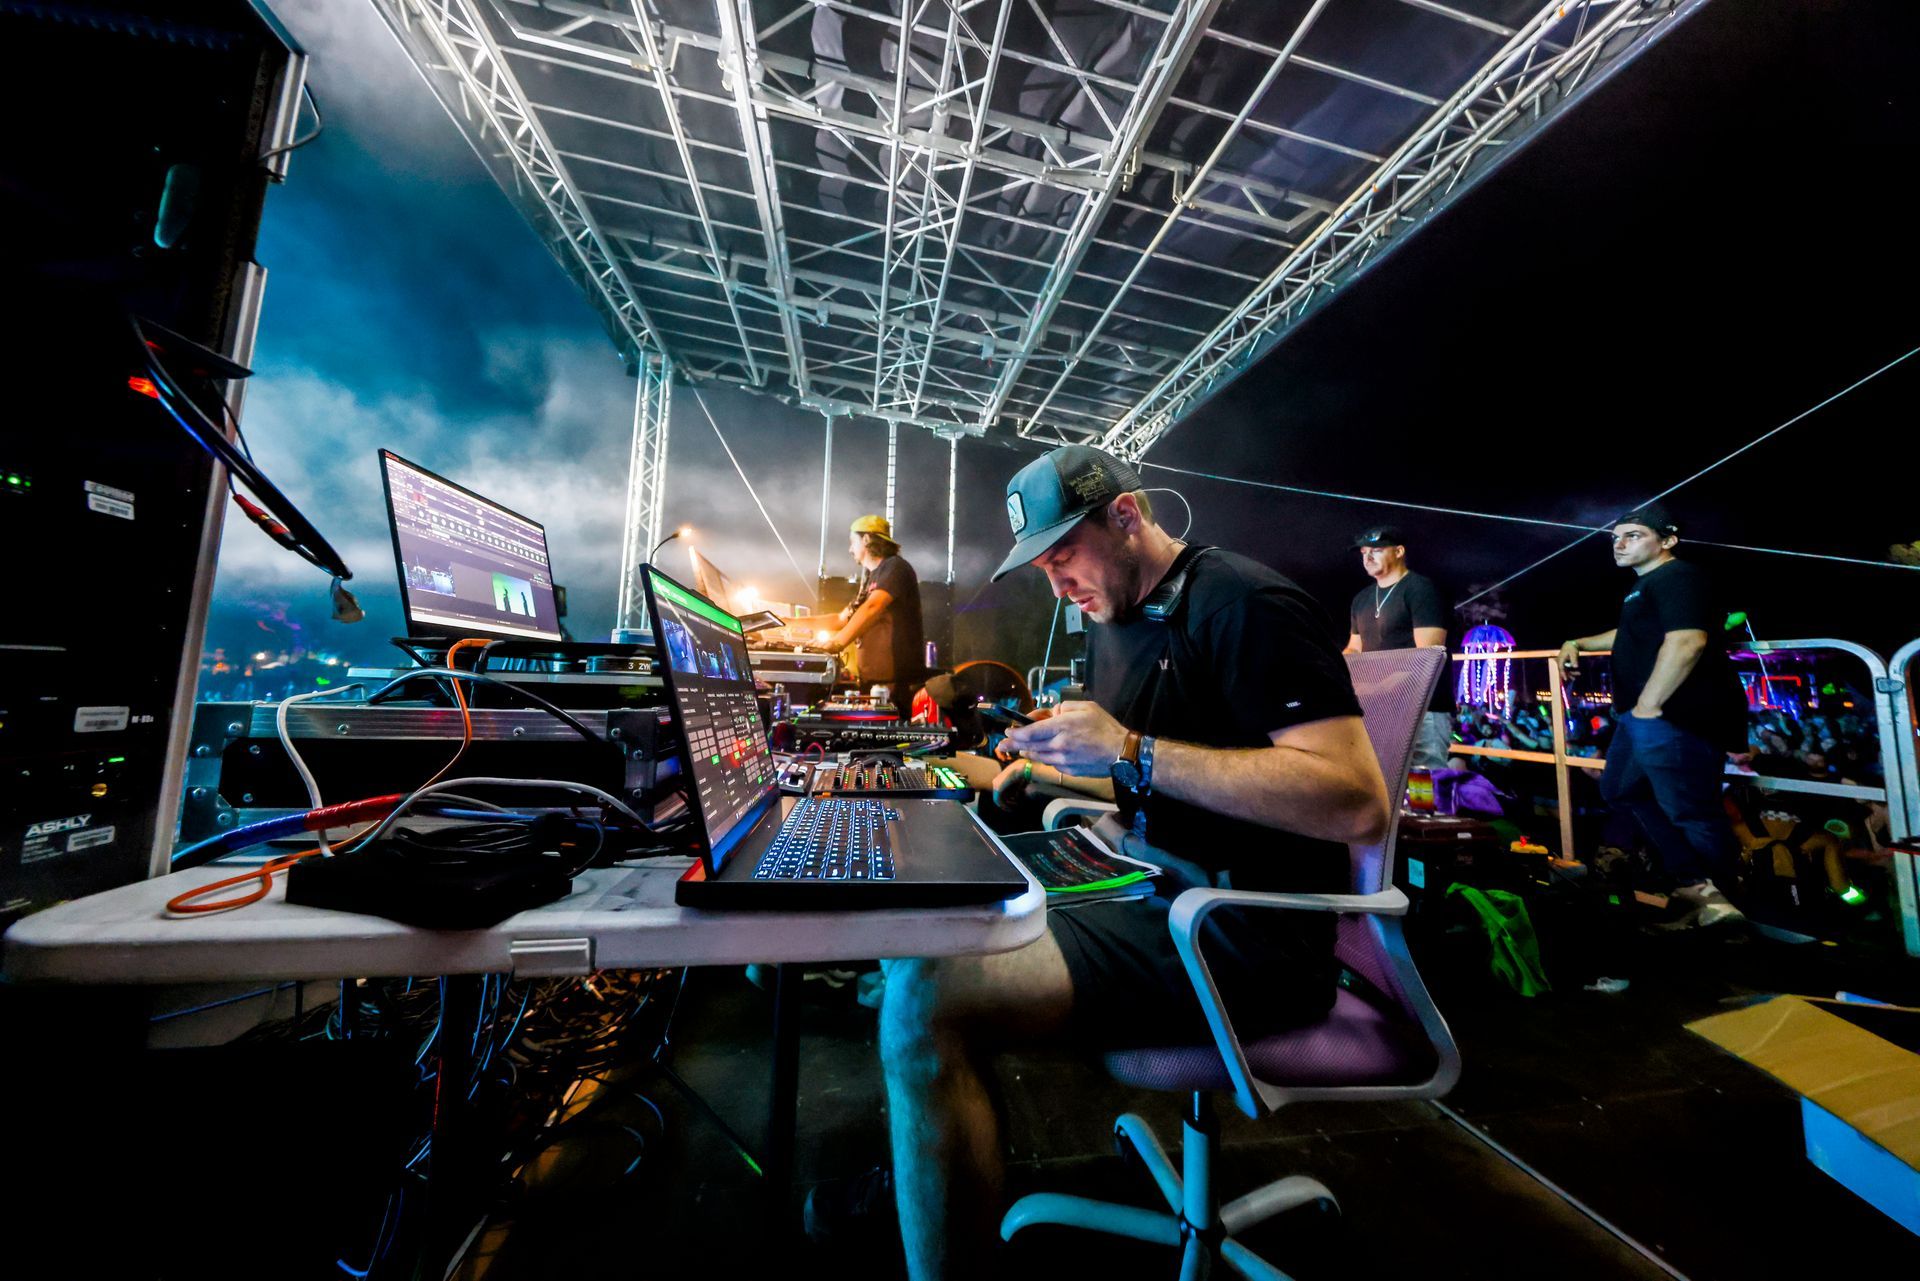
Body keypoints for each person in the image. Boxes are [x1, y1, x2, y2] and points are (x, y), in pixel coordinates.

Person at [825, 445, 1388, 1279]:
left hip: (1241, 929)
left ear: (1125, 516)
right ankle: (926, 1170)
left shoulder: (1244, 601)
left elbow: (1356, 800)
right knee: (927, 903)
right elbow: (1145, 776)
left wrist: (1130, 748)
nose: (1058, 586)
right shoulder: (1115, 616)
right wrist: (1044, 766)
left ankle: (933, 1197)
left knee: (925, 1001)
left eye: (1063, 556)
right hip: (1146, 877)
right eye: (1043, 568)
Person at [1558, 502, 1748, 929]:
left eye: (1634, 536)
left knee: (1691, 810)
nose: (1620, 544)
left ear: (1668, 540)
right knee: (1621, 790)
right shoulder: (1644, 587)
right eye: (1615, 538)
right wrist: (1577, 642)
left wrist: (1649, 705)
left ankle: (1724, 905)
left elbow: (1687, 641)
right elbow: (1630, 635)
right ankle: (1697, 887)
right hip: (1643, 716)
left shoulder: (1678, 576)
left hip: (1676, 714)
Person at [1342, 525, 1454, 769]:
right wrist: (1332, 670)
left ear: (1399, 551)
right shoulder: (1361, 599)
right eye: (1364, 552)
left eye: (1376, 550)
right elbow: (1355, 649)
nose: (1368, 557)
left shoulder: (1421, 589)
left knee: (1424, 779)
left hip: (1423, 707)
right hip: (1380, 707)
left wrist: (1380, 686)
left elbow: (1429, 653)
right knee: (1383, 778)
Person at [815, 514, 926, 718]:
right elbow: (841, 619)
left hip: (896, 686)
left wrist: (837, 642)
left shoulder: (895, 567)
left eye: (852, 542)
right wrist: (785, 623)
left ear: (866, 539)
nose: (850, 549)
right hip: (877, 686)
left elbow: (873, 607)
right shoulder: (872, 578)